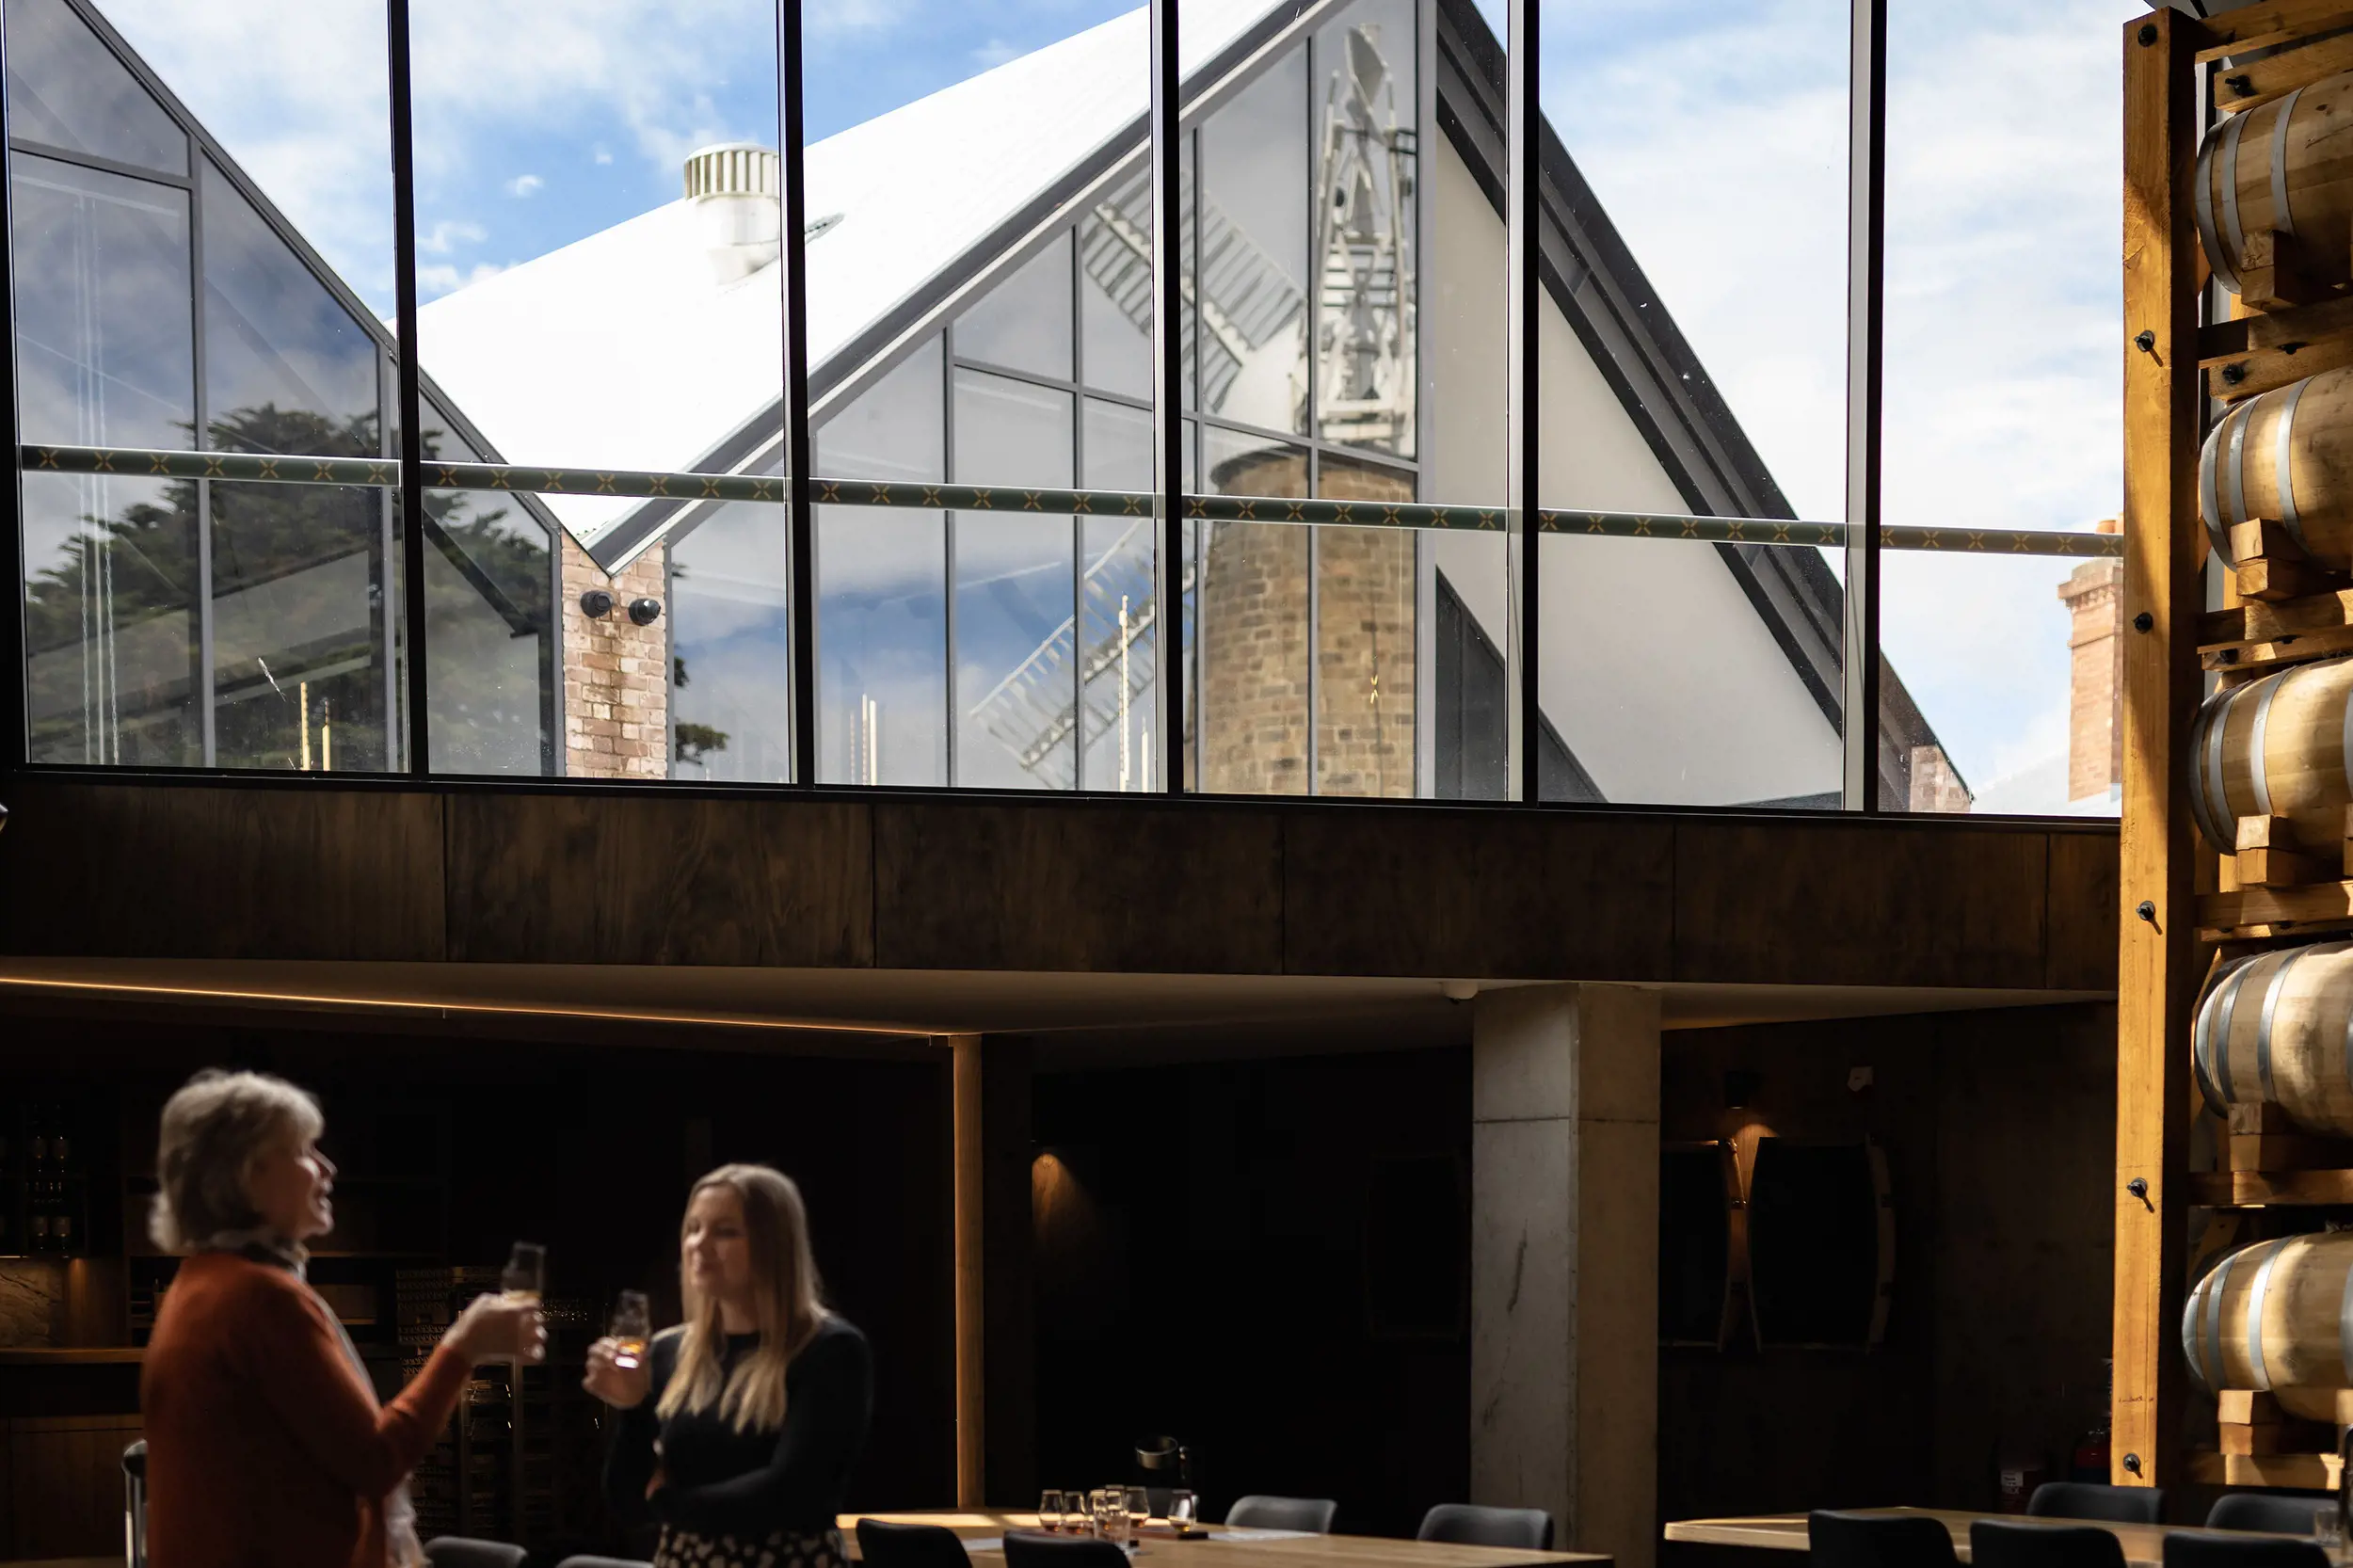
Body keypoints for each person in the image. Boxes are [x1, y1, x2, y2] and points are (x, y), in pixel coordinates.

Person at [140, 1069, 544, 1568]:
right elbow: (376, 1462)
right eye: (304, 1151)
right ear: (248, 1173)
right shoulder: (261, 1297)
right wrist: (464, 1347)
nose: (327, 1168)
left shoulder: (199, 1282)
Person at [586, 1163, 872, 1568]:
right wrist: (632, 1410)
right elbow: (628, 1506)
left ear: (773, 1245)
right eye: (694, 1228)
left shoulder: (830, 1350)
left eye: (725, 1232)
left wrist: (668, 1502)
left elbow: (792, 1493)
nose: (699, 1245)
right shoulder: (669, 1352)